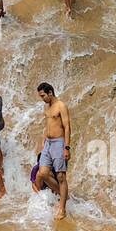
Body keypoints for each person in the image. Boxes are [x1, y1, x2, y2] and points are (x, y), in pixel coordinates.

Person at [34, 82, 72, 220]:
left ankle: (62, 208)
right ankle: (64, 196)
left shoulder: (61, 106)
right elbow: (48, 125)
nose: (42, 98)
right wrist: (44, 141)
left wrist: (67, 147)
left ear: (50, 92)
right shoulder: (46, 107)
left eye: (43, 95)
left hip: (59, 143)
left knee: (61, 176)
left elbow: (67, 127)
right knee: (42, 173)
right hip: (48, 144)